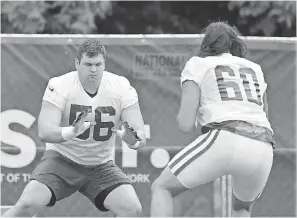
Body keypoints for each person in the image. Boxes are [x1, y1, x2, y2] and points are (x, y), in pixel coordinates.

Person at [3, 38, 146, 217]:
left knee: (132, 209)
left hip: (100, 165)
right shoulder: (60, 85)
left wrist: (132, 140)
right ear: (77, 63)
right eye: (87, 64)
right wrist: (72, 131)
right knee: (27, 205)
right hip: (62, 160)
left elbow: (140, 135)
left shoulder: (121, 86)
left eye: (97, 64)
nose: (93, 70)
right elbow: (44, 131)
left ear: (104, 64)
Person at [150, 21, 274, 217]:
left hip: (226, 137)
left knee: (162, 188)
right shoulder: (254, 67)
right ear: (234, 44)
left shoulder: (198, 64)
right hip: (264, 146)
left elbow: (185, 122)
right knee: (241, 207)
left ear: (206, 44)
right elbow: (263, 112)